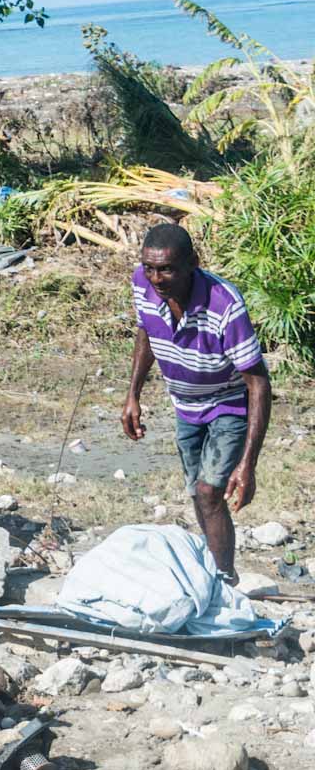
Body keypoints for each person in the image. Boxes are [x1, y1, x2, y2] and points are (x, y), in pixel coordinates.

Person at [121, 223, 271, 579]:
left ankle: (224, 579)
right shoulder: (142, 284)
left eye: (167, 269)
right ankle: (217, 574)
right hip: (185, 405)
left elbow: (259, 384)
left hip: (229, 403)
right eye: (150, 267)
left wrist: (247, 465)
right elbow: (147, 331)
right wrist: (133, 394)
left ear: (193, 264)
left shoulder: (225, 305)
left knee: (208, 492)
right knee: (197, 493)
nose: (157, 278)